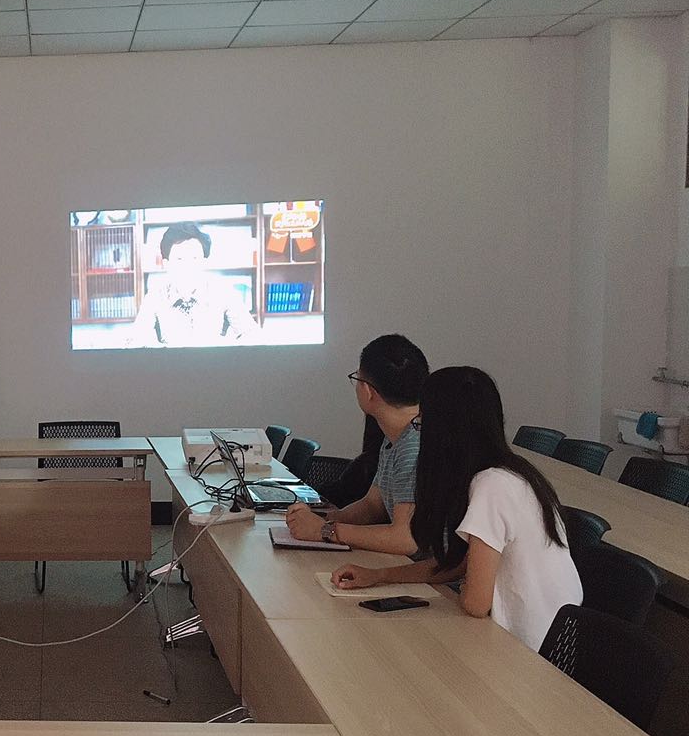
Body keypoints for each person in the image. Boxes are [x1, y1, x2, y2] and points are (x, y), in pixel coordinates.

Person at [331, 367, 582, 649]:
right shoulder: (511, 474)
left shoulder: (492, 486)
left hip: (530, 651)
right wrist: (379, 576)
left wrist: (467, 585)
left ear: (443, 432)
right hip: (531, 640)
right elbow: (457, 564)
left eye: (421, 423)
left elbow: (475, 603)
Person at [285, 334, 428, 555]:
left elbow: (405, 539)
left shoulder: (413, 444)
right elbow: (372, 506)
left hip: (428, 572)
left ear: (368, 391)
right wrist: (322, 519)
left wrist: (324, 530)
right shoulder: (395, 438)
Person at [127, 225, 258, 347]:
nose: (188, 266)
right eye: (179, 259)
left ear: (204, 262)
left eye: (195, 258)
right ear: (167, 264)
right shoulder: (155, 296)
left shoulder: (223, 292)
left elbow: (253, 336)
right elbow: (135, 341)